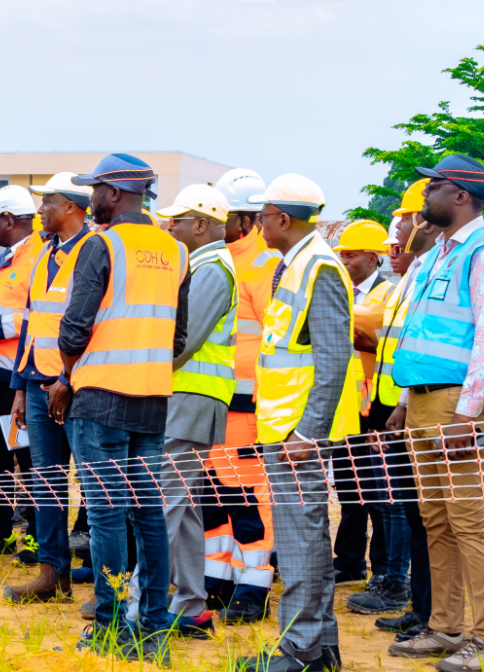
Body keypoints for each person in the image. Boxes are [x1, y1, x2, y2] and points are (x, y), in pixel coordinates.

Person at [388, 155, 484, 672]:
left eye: (434, 185)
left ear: (461, 195)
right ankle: (444, 626)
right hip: (424, 398)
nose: (425, 193)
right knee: (435, 518)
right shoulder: (441, 253)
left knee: (467, 520)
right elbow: (424, 332)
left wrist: (467, 415)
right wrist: (404, 403)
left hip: (458, 403)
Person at [59, 154, 188, 664]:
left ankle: (111, 626)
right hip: (151, 400)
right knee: (148, 515)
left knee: (107, 517)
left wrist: (66, 376)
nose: (91, 198)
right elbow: (177, 337)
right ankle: (152, 628)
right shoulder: (176, 250)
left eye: (95, 190)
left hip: (100, 400)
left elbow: (74, 327)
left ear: (114, 193)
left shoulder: (102, 244)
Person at [242, 173, 354, 672]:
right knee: (304, 539)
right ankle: (320, 649)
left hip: (298, 432)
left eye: (263, 216)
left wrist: (308, 432)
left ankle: (299, 650)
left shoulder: (319, 267)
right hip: (284, 426)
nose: (259, 224)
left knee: (300, 541)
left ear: (283, 219)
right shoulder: (295, 264)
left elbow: (334, 357)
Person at [362, 182, 455, 636]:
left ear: (423, 221)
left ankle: (429, 608)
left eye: (402, 220)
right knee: (411, 510)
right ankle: (422, 606)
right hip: (393, 403)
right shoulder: (414, 272)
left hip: (414, 404)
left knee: (421, 514)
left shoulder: (428, 271)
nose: (396, 230)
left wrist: (401, 403)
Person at [1, 172, 95, 604]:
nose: (40, 210)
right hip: (39, 385)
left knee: (96, 485)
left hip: (78, 389)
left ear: (71, 207)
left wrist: (67, 380)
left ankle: (109, 581)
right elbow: (30, 325)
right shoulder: (44, 255)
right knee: (47, 482)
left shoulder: (94, 252)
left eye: (48, 202)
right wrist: (21, 387)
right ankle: (52, 575)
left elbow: (94, 326)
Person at [156, 184, 237, 639]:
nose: (170, 227)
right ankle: (191, 606)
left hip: (190, 397)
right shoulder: (204, 265)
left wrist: (141, 373)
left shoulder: (210, 270)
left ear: (201, 225)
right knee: (182, 506)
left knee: (164, 504)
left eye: (178, 221)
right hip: (190, 396)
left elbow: (181, 344)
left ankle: (137, 609)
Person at [203, 168, 279, 625]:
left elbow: (277, 340)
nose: (216, 222)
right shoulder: (217, 261)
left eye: (224, 215)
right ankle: (217, 577)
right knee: (213, 495)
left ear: (246, 220)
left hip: (247, 405)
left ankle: (255, 584)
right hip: (213, 398)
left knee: (248, 497)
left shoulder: (267, 266)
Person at [328, 220, 399, 591]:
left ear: (373, 258)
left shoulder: (390, 295)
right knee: (348, 487)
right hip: (344, 405)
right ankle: (350, 561)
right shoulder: (338, 290)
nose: (344, 261)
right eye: (342, 255)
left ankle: (384, 567)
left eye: (351, 255)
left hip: (375, 406)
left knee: (378, 491)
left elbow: (388, 344)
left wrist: (365, 340)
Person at [0, 185, 44, 554]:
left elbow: (40, 314)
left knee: (26, 456)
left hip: (21, 379)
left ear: (9, 219)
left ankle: (35, 535)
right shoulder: (8, 260)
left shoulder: (39, 257)